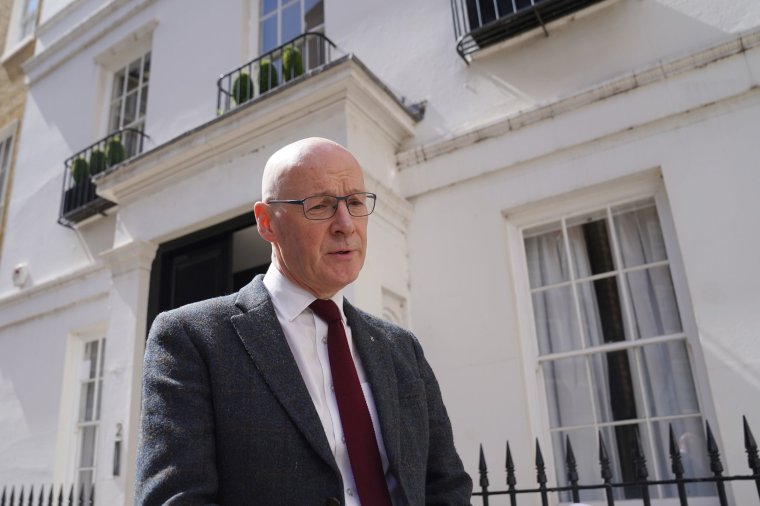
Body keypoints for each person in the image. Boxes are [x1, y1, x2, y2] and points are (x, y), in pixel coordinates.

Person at [135, 138, 472, 505]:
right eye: (321, 206)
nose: (346, 224)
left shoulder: (401, 348)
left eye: (356, 203)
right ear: (266, 222)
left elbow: (446, 487)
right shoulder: (193, 339)